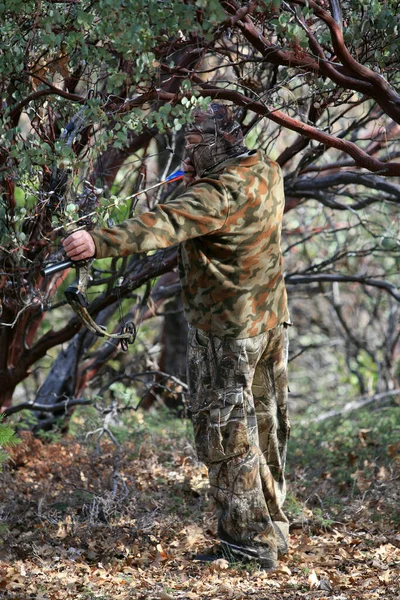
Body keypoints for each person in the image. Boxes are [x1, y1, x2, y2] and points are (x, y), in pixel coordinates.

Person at [62, 103, 291, 570]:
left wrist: (97, 243)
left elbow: (165, 224)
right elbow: (195, 204)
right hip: (269, 325)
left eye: (194, 143)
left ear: (220, 143)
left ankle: (250, 546)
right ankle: (273, 531)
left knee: (227, 436)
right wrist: (194, 172)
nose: (187, 151)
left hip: (228, 335)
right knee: (264, 427)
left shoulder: (217, 194)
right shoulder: (265, 167)